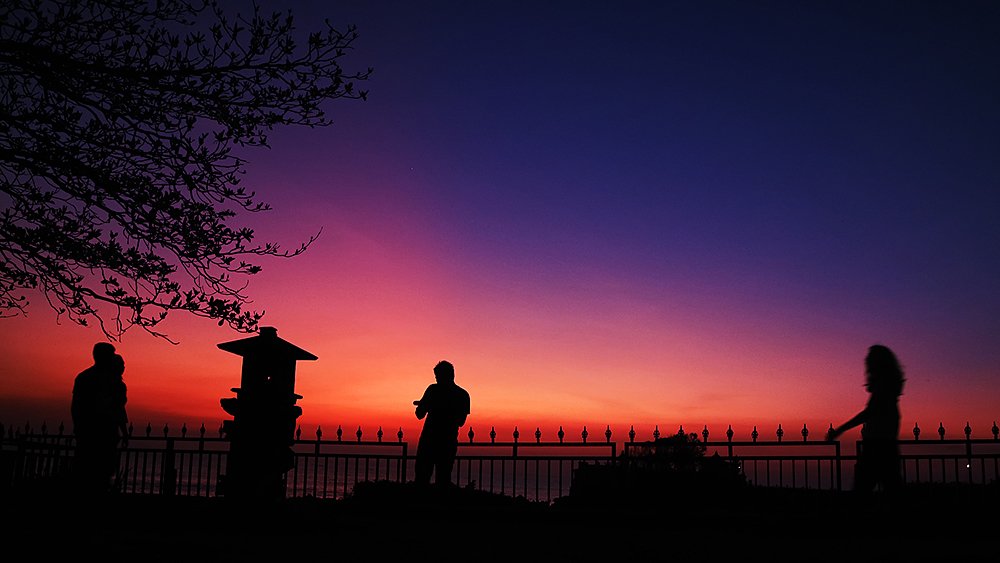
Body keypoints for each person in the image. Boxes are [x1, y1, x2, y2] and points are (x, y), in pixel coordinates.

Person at [826, 344, 906, 496]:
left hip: (877, 448)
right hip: (886, 447)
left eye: (870, 360)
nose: (867, 363)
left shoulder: (883, 389)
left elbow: (869, 413)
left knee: (861, 494)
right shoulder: (888, 389)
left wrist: (840, 430)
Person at [71, 342, 129, 494]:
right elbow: (117, 408)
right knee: (99, 474)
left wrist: (79, 427)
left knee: (89, 475)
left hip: (90, 433)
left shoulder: (84, 377)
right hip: (102, 433)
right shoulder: (109, 381)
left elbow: (76, 407)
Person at [413, 360, 471, 486]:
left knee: (421, 479)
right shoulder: (463, 395)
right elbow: (461, 422)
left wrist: (424, 405)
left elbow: (419, 415)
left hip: (428, 441)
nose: (437, 379)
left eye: (437, 376)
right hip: (448, 442)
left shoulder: (432, 390)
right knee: (443, 479)